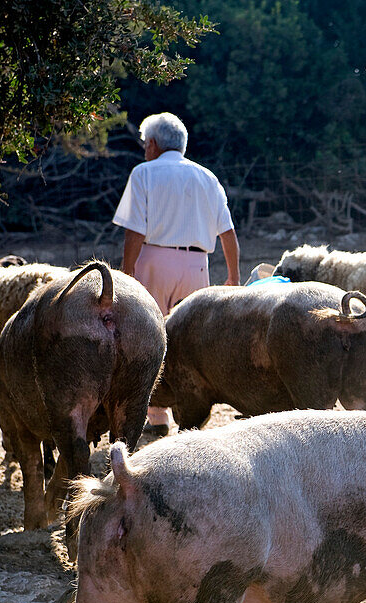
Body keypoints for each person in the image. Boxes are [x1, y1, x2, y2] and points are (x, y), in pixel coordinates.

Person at [113, 112, 240, 437]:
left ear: (153, 144)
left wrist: (127, 274)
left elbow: (134, 231)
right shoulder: (207, 177)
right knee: (188, 341)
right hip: (197, 265)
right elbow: (228, 233)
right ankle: (190, 410)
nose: (144, 150)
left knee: (148, 337)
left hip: (154, 260)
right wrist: (233, 278)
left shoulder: (143, 173)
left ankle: (155, 415)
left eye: (145, 144)